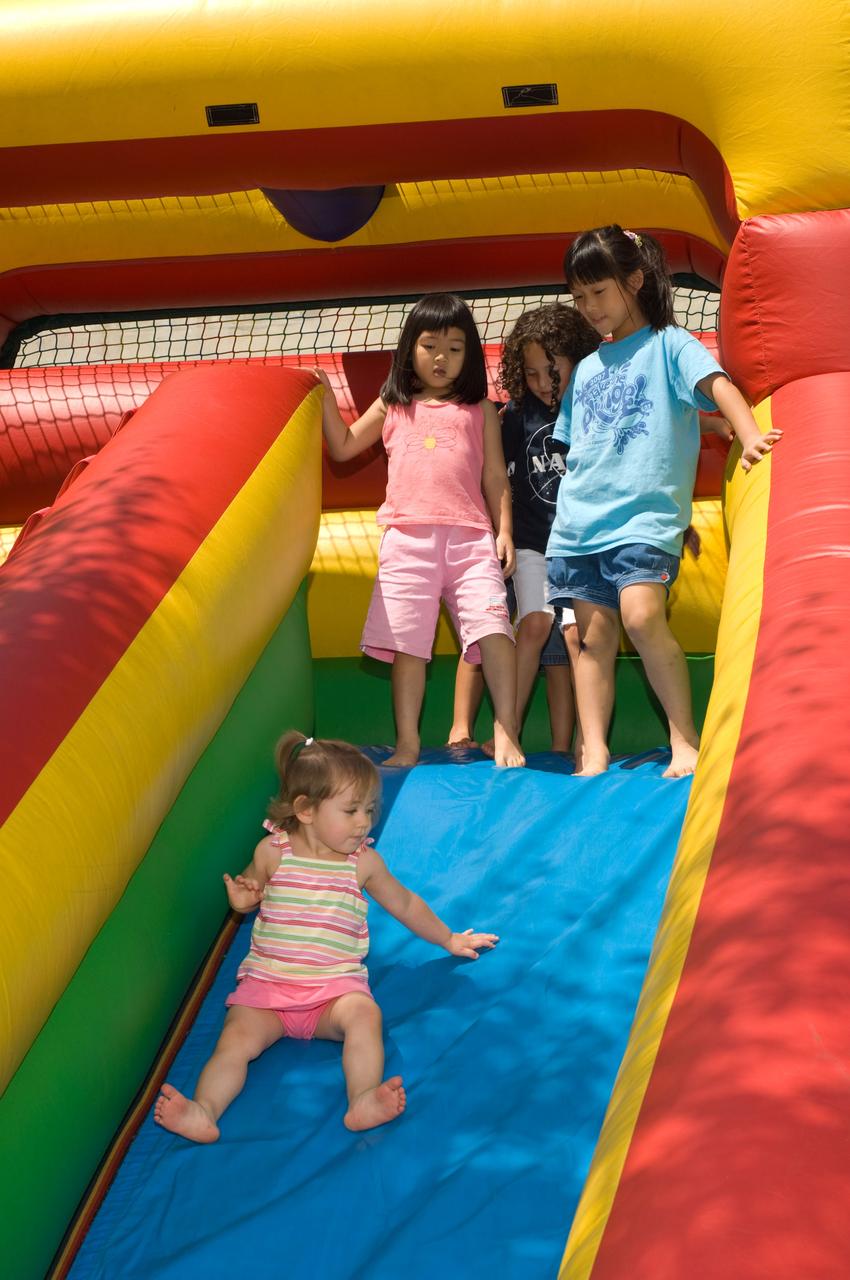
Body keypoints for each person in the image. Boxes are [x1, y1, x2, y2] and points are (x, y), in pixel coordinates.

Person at [154, 732, 498, 1143]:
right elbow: (251, 891)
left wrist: (449, 939)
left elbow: (404, 903)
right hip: (268, 988)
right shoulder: (273, 852)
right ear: (305, 810)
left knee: (364, 1016)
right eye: (351, 810)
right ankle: (204, 1110)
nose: (364, 822)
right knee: (235, 1041)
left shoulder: (362, 863)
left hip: (332, 991)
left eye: (369, 810)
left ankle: (363, 1099)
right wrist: (242, 899)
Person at [547, 225, 781, 778]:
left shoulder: (669, 344)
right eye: (580, 298)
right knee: (592, 639)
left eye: (599, 293)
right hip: (581, 525)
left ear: (635, 280)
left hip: (644, 520)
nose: (590, 308)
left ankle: (685, 740)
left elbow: (718, 384)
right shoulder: (585, 371)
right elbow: (581, 447)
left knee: (643, 615)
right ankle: (595, 750)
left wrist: (747, 433)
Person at [317, 293, 524, 769]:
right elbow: (344, 447)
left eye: (455, 349)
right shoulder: (394, 403)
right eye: (431, 346)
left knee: (494, 629)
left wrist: (504, 529)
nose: (441, 359)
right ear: (410, 348)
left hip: (471, 538)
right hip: (407, 540)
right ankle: (407, 743)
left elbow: (495, 476)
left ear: (469, 355)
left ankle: (506, 731)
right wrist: (326, 393)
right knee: (409, 644)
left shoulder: (480, 410)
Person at [446, 303, 601, 757]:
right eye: (531, 374)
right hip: (534, 543)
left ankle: (587, 742)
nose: (542, 384)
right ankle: (506, 727)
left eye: (552, 371)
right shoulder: (516, 416)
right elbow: (499, 478)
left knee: (577, 637)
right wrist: (504, 531)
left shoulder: (594, 403)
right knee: (533, 623)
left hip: (583, 543)